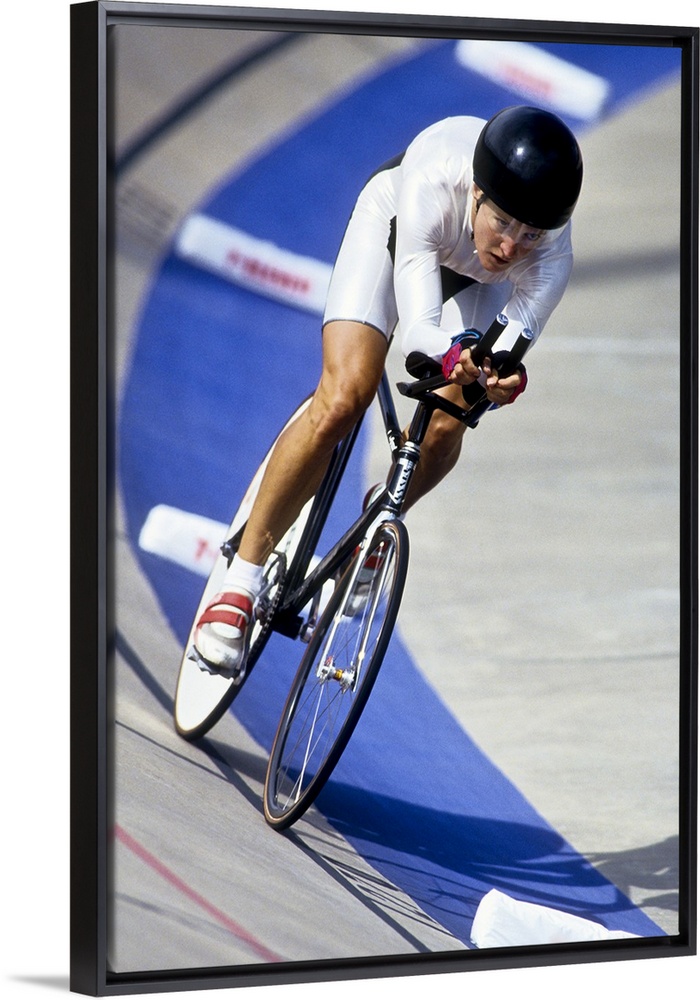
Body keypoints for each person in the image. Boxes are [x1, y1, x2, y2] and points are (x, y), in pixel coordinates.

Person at [194, 105, 584, 678]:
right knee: (343, 399)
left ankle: (377, 524)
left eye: (530, 234)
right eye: (502, 222)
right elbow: (419, 335)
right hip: (399, 232)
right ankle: (240, 582)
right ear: (477, 193)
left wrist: (502, 378)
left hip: (477, 287)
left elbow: (506, 351)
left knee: (452, 419)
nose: (510, 246)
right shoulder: (436, 178)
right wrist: (455, 355)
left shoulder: (551, 256)